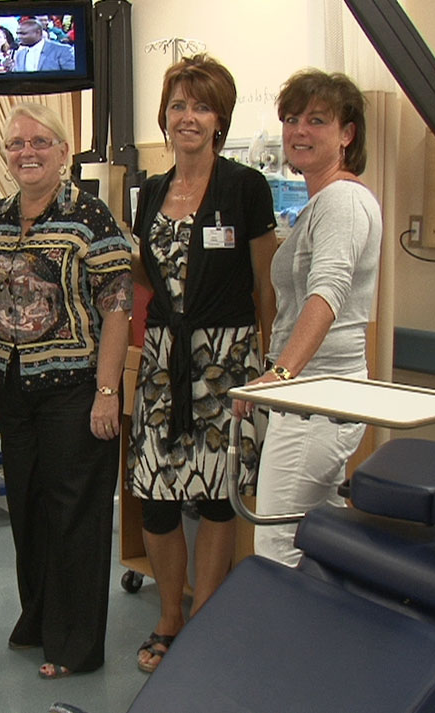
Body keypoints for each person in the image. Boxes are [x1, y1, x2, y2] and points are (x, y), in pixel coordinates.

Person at [127, 54, 278, 674]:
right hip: (165, 363)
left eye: (202, 105)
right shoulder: (154, 192)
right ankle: (169, 613)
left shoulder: (245, 187)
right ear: (165, 116)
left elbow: (266, 284)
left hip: (229, 359)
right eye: (179, 105)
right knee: (156, 497)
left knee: (219, 495)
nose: (189, 117)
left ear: (221, 118)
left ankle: (207, 609)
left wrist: (269, 367)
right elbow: (146, 277)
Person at [0, 103, 132, 679]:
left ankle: (74, 645)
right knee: (28, 509)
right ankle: (39, 618)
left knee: (75, 515)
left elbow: (117, 308)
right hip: (14, 387)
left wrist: (108, 391)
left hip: (75, 386)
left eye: (41, 141)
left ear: (64, 152)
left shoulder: (91, 217)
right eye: (16, 143)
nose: (27, 152)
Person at [233, 69, 382, 567]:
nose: (299, 131)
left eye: (317, 120)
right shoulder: (322, 203)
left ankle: (288, 645)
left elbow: (329, 291)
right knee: (318, 535)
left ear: (346, 134)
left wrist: (280, 374)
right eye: (292, 119)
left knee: (278, 544)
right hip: (312, 395)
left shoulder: (342, 201)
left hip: (318, 395)